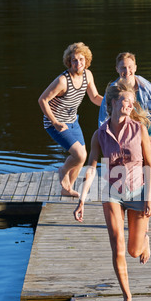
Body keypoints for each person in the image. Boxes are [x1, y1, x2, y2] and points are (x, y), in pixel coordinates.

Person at [74, 81, 151, 301]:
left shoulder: (139, 129)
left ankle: (144, 240)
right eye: (125, 101)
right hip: (112, 194)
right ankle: (127, 295)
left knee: (133, 250)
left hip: (138, 190)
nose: (129, 105)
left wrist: (149, 197)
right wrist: (82, 199)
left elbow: (150, 165)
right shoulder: (99, 135)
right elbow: (91, 168)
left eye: (132, 102)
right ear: (112, 103)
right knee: (117, 246)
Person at [38, 42, 103, 197]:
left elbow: (94, 97)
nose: (78, 63)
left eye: (81, 59)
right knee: (79, 155)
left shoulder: (88, 75)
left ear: (86, 60)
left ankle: (66, 189)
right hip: (55, 123)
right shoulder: (62, 80)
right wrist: (54, 121)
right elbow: (42, 100)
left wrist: (112, 102)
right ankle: (63, 170)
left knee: (82, 157)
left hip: (73, 120)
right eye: (74, 60)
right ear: (69, 62)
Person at [98, 52, 151, 169]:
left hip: (148, 135)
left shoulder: (147, 88)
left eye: (130, 67)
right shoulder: (112, 92)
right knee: (126, 177)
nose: (127, 71)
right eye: (123, 68)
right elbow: (103, 121)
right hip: (123, 141)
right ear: (117, 69)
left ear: (135, 68)